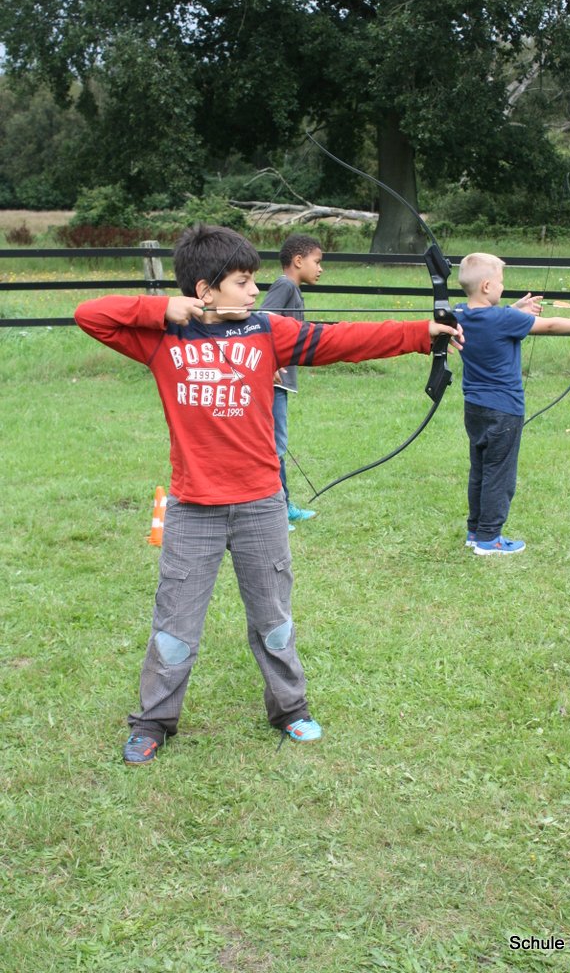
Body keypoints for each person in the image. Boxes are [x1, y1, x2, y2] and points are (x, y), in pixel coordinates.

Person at [74, 223, 463, 764]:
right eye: (242, 282)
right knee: (175, 627)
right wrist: (162, 308)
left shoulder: (267, 330)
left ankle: (290, 708)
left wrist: (422, 332)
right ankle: (153, 721)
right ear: (205, 289)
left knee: (274, 621)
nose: (254, 291)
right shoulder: (163, 336)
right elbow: (89, 314)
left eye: (254, 280)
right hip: (193, 509)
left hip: (260, 504)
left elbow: (342, 340)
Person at [455, 252, 570, 556]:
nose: (502, 287)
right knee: (499, 474)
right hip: (504, 410)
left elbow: (489, 318)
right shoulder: (504, 320)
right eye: (500, 282)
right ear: (486, 286)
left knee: (481, 470)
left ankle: (475, 531)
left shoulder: (459, 313)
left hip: (475, 408)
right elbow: (548, 325)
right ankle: (490, 540)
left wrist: (515, 309)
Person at [261, 234, 323, 528]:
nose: (320, 268)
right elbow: (263, 320)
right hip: (272, 381)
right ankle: (275, 512)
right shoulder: (285, 285)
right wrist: (269, 363)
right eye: (317, 261)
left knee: (277, 446)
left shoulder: (293, 289)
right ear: (298, 261)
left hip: (280, 382)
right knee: (274, 448)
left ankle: (283, 506)